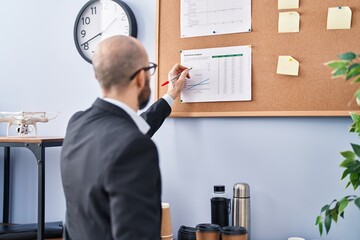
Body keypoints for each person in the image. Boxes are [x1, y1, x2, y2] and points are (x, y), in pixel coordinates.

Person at [60, 35, 190, 240]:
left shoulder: (77, 124)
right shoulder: (134, 146)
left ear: (97, 76)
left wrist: (171, 94)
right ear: (140, 77)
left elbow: (129, 128)